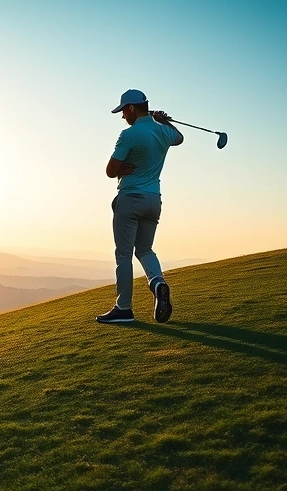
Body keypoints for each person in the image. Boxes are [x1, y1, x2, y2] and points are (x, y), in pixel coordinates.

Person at [97, 89, 183, 324]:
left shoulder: (129, 134)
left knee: (123, 255)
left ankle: (123, 308)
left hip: (130, 198)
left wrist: (120, 168)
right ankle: (157, 283)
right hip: (153, 200)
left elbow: (110, 171)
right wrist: (163, 121)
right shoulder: (163, 130)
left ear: (132, 108)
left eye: (124, 111)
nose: (123, 116)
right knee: (145, 249)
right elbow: (179, 138)